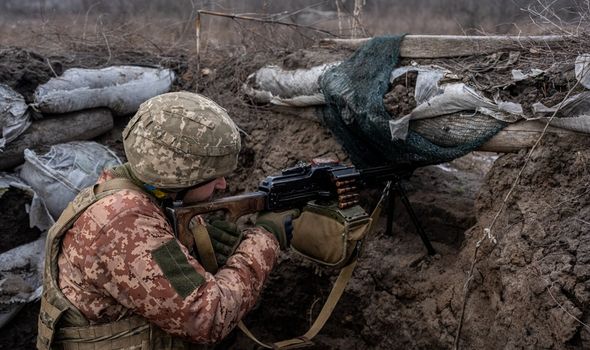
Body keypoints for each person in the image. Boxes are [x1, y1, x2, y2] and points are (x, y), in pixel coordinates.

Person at [37, 92, 298, 349]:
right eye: (213, 178)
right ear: (178, 179)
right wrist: (266, 237)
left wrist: (196, 250)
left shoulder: (133, 192)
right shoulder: (125, 221)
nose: (223, 184)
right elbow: (208, 319)